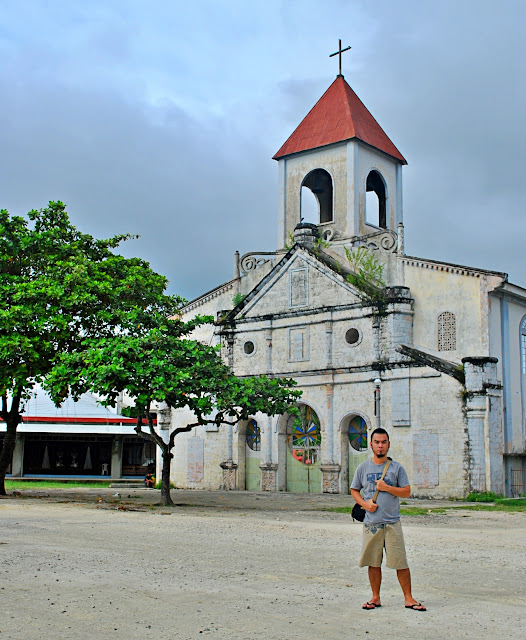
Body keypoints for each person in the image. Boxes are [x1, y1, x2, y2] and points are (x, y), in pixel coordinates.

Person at [350, 427, 426, 612]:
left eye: (384, 442)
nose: (380, 445)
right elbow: (354, 490)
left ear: (388, 444)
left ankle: (408, 598)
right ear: (371, 445)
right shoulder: (363, 468)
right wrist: (365, 504)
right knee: (373, 562)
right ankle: (375, 597)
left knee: (400, 561)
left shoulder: (396, 468)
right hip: (372, 524)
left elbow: (406, 492)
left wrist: (386, 487)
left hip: (392, 522)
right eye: (377, 442)